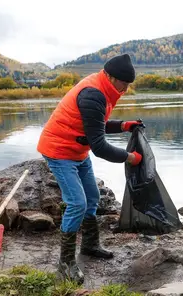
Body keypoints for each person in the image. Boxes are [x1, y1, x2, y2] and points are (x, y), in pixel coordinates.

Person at [37, 53, 144, 284]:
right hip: (59, 151)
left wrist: (124, 125)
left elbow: (95, 125)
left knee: (92, 197)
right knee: (77, 203)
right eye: (123, 83)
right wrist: (129, 157)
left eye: (128, 84)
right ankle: (65, 264)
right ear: (110, 76)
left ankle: (89, 245)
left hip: (77, 150)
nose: (125, 89)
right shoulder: (93, 94)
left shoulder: (102, 89)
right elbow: (100, 147)